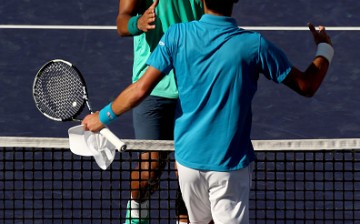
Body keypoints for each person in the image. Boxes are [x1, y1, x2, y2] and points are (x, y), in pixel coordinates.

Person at [83, 0, 334, 222]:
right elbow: (307, 85)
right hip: (229, 167)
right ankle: (138, 208)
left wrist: (102, 117)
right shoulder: (253, 45)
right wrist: (324, 48)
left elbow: (139, 90)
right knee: (151, 169)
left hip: (189, 164)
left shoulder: (175, 36)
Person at [116, 0, 203, 223]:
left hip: (194, 85)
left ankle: (185, 219)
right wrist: (139, 22)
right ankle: (137, 211)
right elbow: (122, 22)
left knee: (189, 170)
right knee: (150, 169)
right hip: (152, 86)